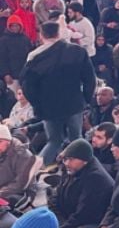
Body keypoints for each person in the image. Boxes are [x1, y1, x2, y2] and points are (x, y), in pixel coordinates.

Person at [21, 21, 96, 165]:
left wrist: (38, 105)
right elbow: (89, 79)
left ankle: (34, 172)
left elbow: (28, 87)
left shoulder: (35, 56)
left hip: (49, 108)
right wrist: (85, 100)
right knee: (77, 140)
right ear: (59, 33)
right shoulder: (78, 51)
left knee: (54, 141)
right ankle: (87, 169)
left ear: (41, 36)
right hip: (74, 104)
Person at [51, 139, 114, 228]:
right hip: (68, 217)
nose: (66, 163)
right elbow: (56, 196)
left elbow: (83, 214)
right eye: (65, 159)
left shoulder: (96, 179)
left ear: (84, 161)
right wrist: (59, 222)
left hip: (90, 222)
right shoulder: (72, 168)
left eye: (71, 160)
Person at [0, 124, 35, 205]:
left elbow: (21, 184)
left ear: (8, 140)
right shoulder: (2, 150)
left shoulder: (23, 155)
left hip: (19, 192)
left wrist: (1, 192)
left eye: (0, 141)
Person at [0, 15, 32, 94]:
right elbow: (2, 58)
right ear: (8, 27)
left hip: (25, 75)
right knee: (13, 98)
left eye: (17, 25)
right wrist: (5, 74)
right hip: (12, 77)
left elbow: (31, 55)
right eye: (12, 26)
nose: (15, 28)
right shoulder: (3, 40)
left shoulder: (25, 39)